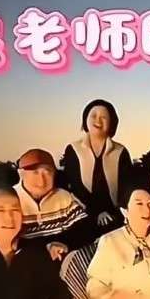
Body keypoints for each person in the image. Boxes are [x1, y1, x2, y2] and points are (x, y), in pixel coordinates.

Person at [60, 99, 134, 236]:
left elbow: (127, 186)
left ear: (112, 122)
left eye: (104, 117)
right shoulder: (73, 149)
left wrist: (116, 211)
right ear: (85, 119)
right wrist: (97, 211)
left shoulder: (120, 151)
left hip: (114, 212)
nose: (98, 121)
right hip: (82, 210)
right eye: (93, 116)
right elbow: (75, 185)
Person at [14, 148, 91, 260]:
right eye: (35, 172)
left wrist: (64, 243)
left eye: (47, 172)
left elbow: (85, 228)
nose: (41, 181)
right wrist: (46, 247)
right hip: (26, 262)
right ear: (21, 173)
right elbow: (7, 241)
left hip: (61, 260)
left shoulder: (63, 196)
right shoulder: (9, 199)